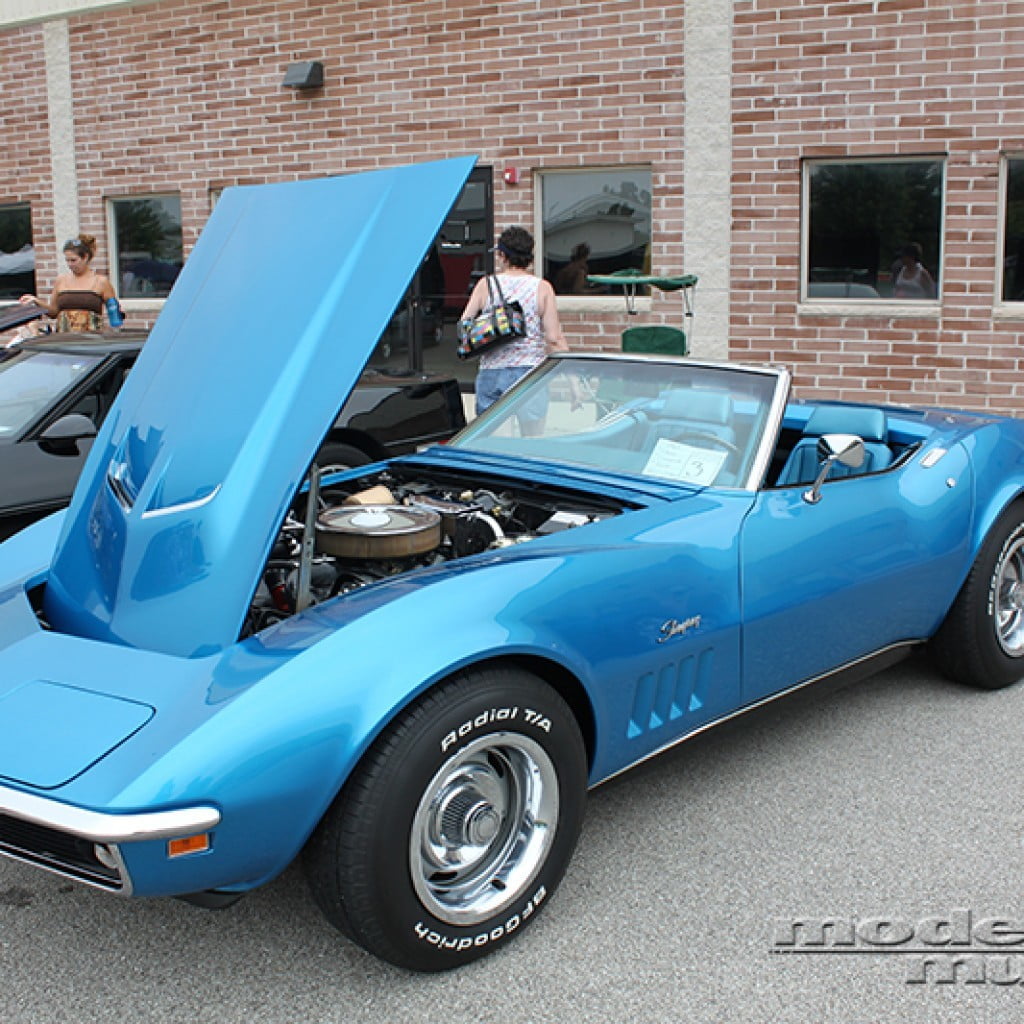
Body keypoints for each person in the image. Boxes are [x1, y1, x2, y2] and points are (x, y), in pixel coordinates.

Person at [460, 226, 570, 431]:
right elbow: (554, 338)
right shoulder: (542, 287)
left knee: (489, 437)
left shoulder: (486, 285)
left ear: (502, 255)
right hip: (529, 372)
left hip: (492, 371)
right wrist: (574, 383)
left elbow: (465, 324)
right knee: (532, 438)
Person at [20, 234, 119, 332]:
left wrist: (115, 330)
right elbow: (53, 312)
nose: (70, 264)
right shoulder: (61, 280)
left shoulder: (101, 282)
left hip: (92, 338)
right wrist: (36, 301)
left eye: (73, 260)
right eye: (67, 260)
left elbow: (114, 313)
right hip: (64, 338)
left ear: (85, 257)